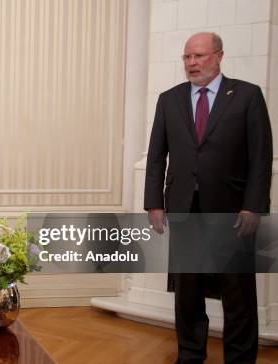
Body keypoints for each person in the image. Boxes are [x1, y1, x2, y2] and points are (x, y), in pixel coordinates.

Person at [144, 32, 272, 363]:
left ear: (218, 56)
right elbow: (157, 156)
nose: (192, 63)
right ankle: (189, 355)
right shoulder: (169, 99)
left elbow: (261, 157)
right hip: (185, 210)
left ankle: (240, 358)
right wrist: (154, 203)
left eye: (199, 56)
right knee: (187, 292)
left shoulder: (247, 96)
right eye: (187, 57)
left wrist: (254, 205)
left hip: (233, 212)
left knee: (237, 293)